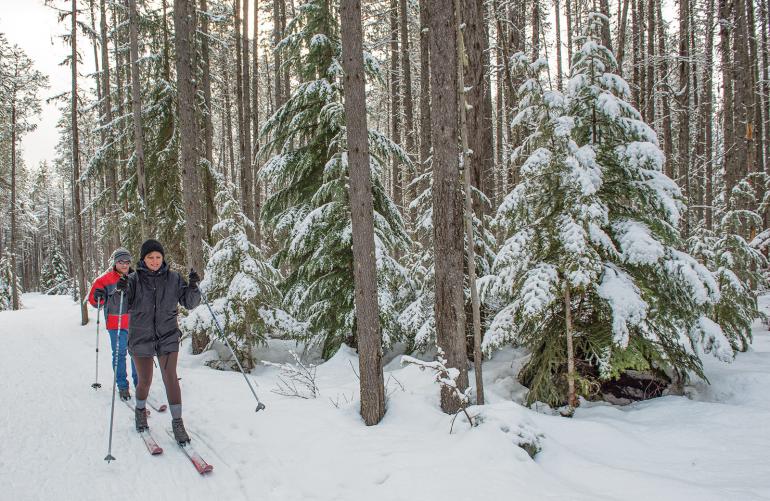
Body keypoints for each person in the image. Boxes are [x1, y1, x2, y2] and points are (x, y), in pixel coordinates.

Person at [109, 239, 200, 444]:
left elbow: (190, 302)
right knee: (145, 380)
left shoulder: (174, 278)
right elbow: (117, 308)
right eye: (150, 257)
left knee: (171, 378)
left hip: (167, 336)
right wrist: (119, 291)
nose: (155, 261)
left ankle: (177, 422)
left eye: (158, 257)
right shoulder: (133, 279)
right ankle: (140, 410)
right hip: (141, 337)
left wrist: (193, 286)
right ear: (143, 259)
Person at [88, 248, 138, 401]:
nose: (124, 265)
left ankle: (140, 384)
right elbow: (94, 301)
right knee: (119, 354)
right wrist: (99, 297)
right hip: (115, 323)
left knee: (136, 354)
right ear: (115, 262)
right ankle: (122, 386)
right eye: (121, 261)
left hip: (135, 323)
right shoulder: (105, 280)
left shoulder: (136, 278)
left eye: (127, 261)